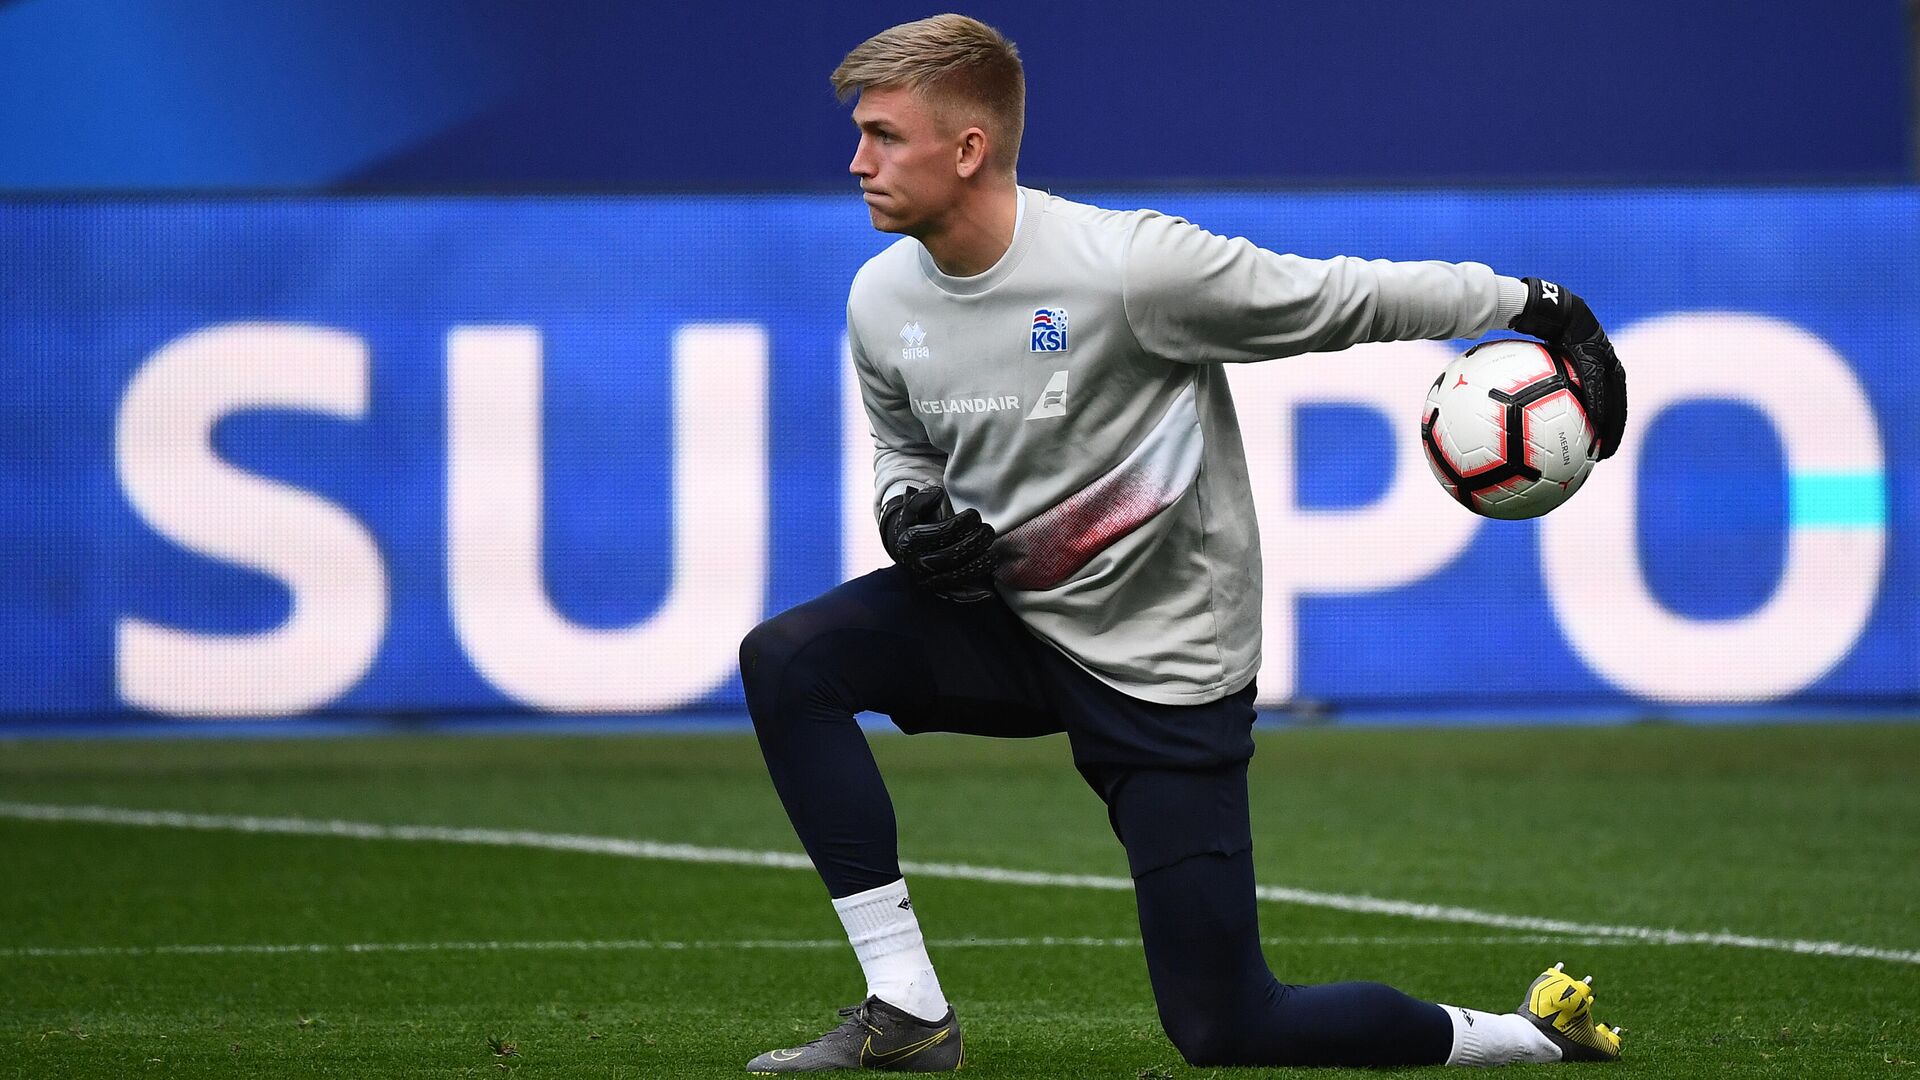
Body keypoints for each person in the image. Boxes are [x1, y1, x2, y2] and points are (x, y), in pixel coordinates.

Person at [739, 13, 1628, 1073]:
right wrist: (904, 512)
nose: (857, 160)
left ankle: (1529, 1039)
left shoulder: (1130, 270)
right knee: (789, 660)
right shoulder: (880, 299)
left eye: (883, 135)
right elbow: (901, 449)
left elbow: (1342, 297)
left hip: (1163, 666)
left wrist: (1536, 303)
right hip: (1009, 625)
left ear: (967, 149)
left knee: (1226, 1027)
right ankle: (907, 1013)